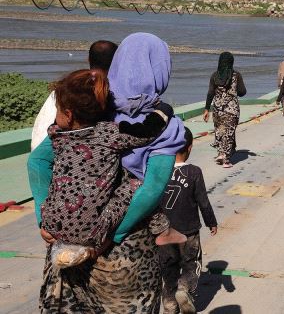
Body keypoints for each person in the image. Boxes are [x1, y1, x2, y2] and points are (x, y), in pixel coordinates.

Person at [28, 32, 187, 312]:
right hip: (124, 257)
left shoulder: (93, 106)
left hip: (68, 247)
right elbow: (150, 189)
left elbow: (38, 162)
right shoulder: (167, 128)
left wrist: (44, 217)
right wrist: (110, 236)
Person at [41, 69, 187, 268]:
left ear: (68, 114)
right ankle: (161, 228)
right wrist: (164, 109)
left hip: (51, 224)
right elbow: (147, 132)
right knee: (135, 182)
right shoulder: (109, 133)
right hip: (91, 232)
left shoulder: (56, 135)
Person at [159, 127, 218, 314]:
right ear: (190, 148)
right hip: (188, 230)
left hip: (164, 231)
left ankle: (169, 305)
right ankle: (184, 289)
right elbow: (203, 200)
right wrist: (211, 222)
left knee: (168, 268)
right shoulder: (194, 172)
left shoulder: (159, 170)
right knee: (191, 263)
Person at [31, 40, 118, 150]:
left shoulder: (66, 89)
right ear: (117, 62)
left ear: (88, 59)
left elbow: (40, 137)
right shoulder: (113, 93)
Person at [204, 52, 247, 168]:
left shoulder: (214, 76)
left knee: (219, 131)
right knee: (229, 133)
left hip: (217, 109)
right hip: (231, 110)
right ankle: (226, 160)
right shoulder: (236, 75)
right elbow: (243, 92)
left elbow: (210, 93)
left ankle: (220, 153)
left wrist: (206, 109)